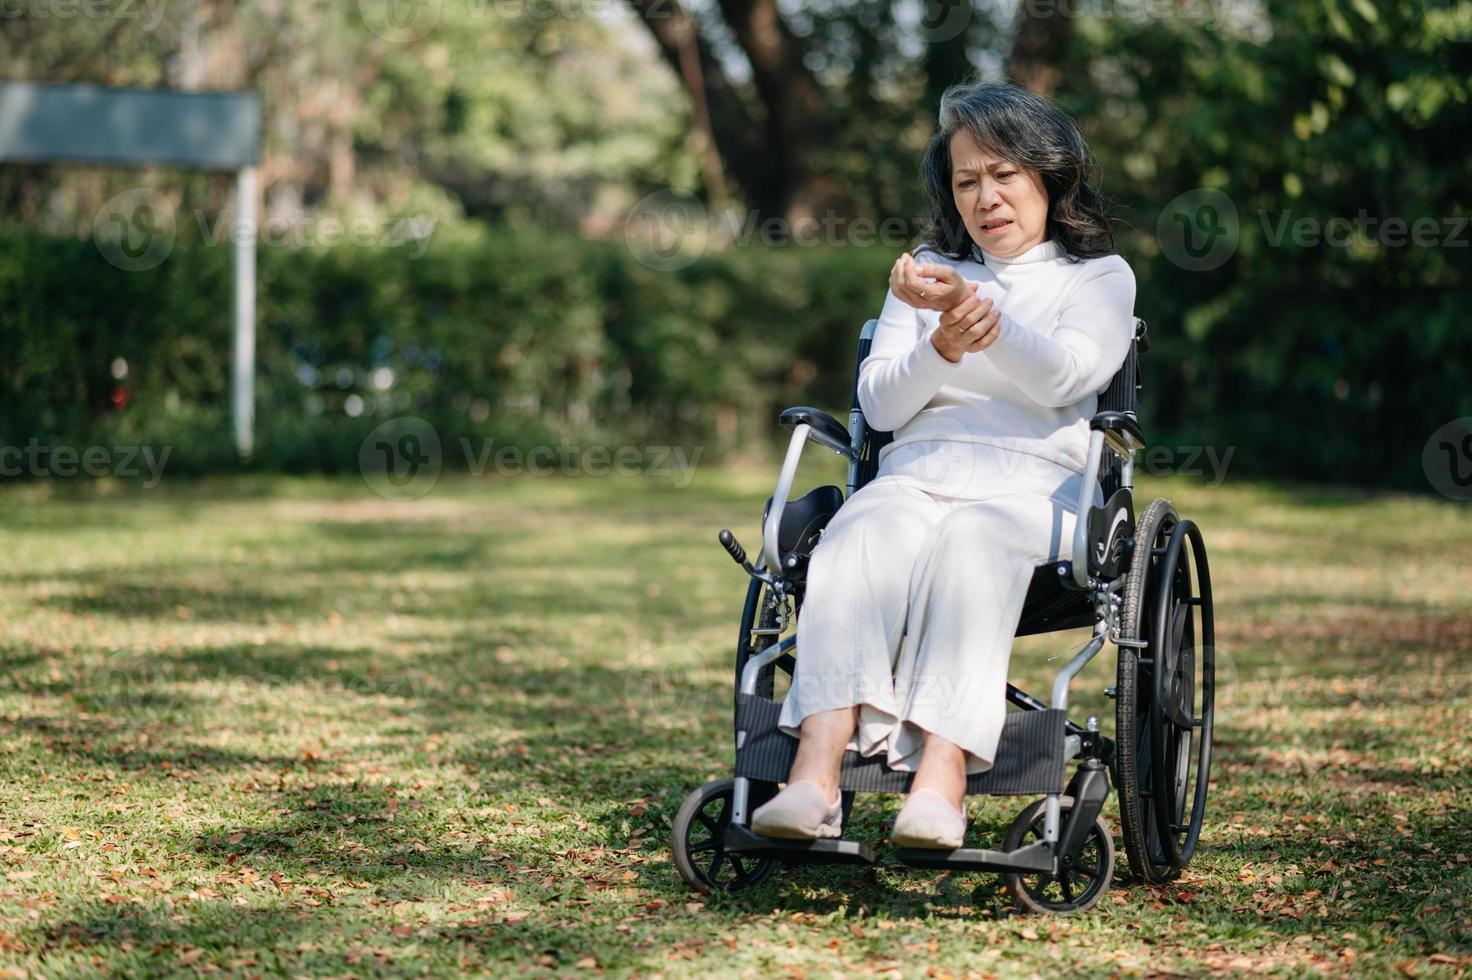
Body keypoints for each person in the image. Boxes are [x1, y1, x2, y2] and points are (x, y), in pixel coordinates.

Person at [749, 81, 1137, 848]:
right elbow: (883, 409)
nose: (985, 197)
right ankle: (815, 776)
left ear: (1047, 178)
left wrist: (977, 320)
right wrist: (940, 344)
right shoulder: (924, 271)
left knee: (973, 541)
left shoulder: (1098, 278)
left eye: (1004, 175)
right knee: (859, 532)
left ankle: (941, 783)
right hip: (914, 474)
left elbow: (1067, 377)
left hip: (1034, 488)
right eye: (967, 181)